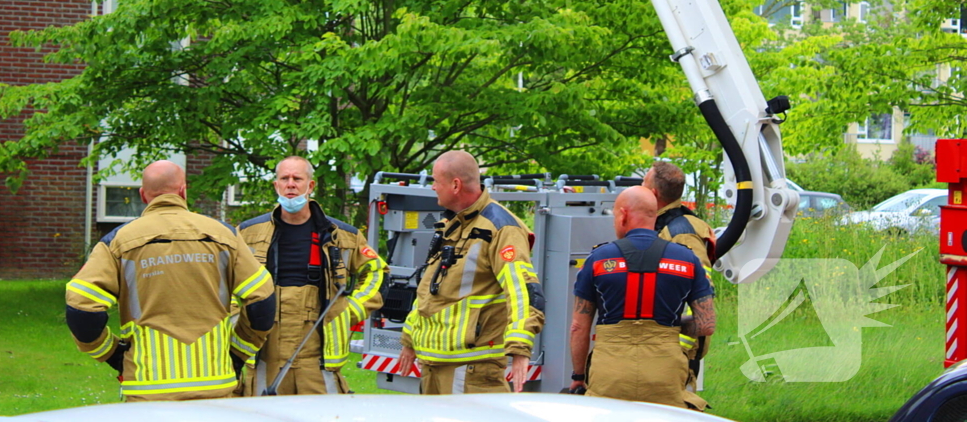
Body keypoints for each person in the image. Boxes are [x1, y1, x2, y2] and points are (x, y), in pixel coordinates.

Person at [65, 160, 275, 401]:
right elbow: (262, 302)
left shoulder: (118, 241)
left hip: (147, 389)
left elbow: (81, 309)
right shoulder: (224, 235)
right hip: (215, 386)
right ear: (183, 191)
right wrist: (238, 353)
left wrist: (112, 355)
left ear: (143, 195)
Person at [235, 155, 388, 395]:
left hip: (318, 356)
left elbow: (377, 273)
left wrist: (351, 310)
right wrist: (239, 316)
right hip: (265, 351)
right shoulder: (247, 233)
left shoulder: (342, 235)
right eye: (284, 178)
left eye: (297, 178)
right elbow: (227, 281)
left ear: (311, 185)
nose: (290, 184)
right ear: (276, 185)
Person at [397, 150, 545, 394]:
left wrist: (519, 349)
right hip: (435, 364)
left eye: (436, 181)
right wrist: (409, 340)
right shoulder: (453, 225)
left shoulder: (501, 228)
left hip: (471, 367)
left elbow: (522, 290)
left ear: (455, 185)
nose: (433, 187)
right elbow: (430, 292)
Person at [569, 186, 715, 408]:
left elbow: (578, 328)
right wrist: (669, 328)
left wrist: (578, 377)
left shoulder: (598, 260)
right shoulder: (687, 259)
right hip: (664, 373)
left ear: (624, 214)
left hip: (610, 374)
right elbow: (706, 325)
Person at [644, 160, 716, 407]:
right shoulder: (664, 224)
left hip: (675, 350)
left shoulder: (682, 232)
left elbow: (698, 293)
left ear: (654, 193)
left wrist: (678, 350)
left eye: (643, 183)